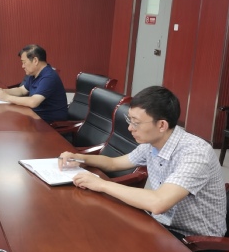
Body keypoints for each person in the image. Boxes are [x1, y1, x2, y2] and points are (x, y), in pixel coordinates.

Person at [59, 86, 227, 239]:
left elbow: (158, 202)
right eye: (130, 120)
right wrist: (79, 158)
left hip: (195, 240)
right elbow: (113, 163)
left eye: (136, 123)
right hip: (162, 224)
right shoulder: (152, 143)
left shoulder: (195, 153)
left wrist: (101, 184)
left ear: (161, 125)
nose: (130, 128)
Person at [0, 44, 68, 123]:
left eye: (24, 62)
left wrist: (6, 97)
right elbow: (22, 90)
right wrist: (2, 91)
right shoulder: (34, 74)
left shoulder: (49, 77)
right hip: (36, 116)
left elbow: (33, 102)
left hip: (50, 123)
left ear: (35, 60)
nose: (22, 66)